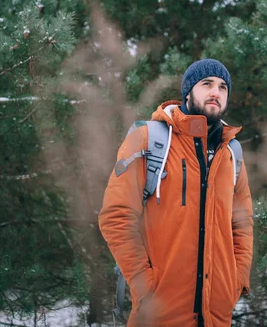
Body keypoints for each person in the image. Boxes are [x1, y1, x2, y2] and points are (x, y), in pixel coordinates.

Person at [99, 59, 254, 326]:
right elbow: (116, 217)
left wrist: (236, 281)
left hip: (217, 316)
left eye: (223, 87)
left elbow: (242, 223)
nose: (215, 92)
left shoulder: (231, 153)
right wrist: (145, 289)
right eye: (206, 84)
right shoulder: (148, 139)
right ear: (188, 91)